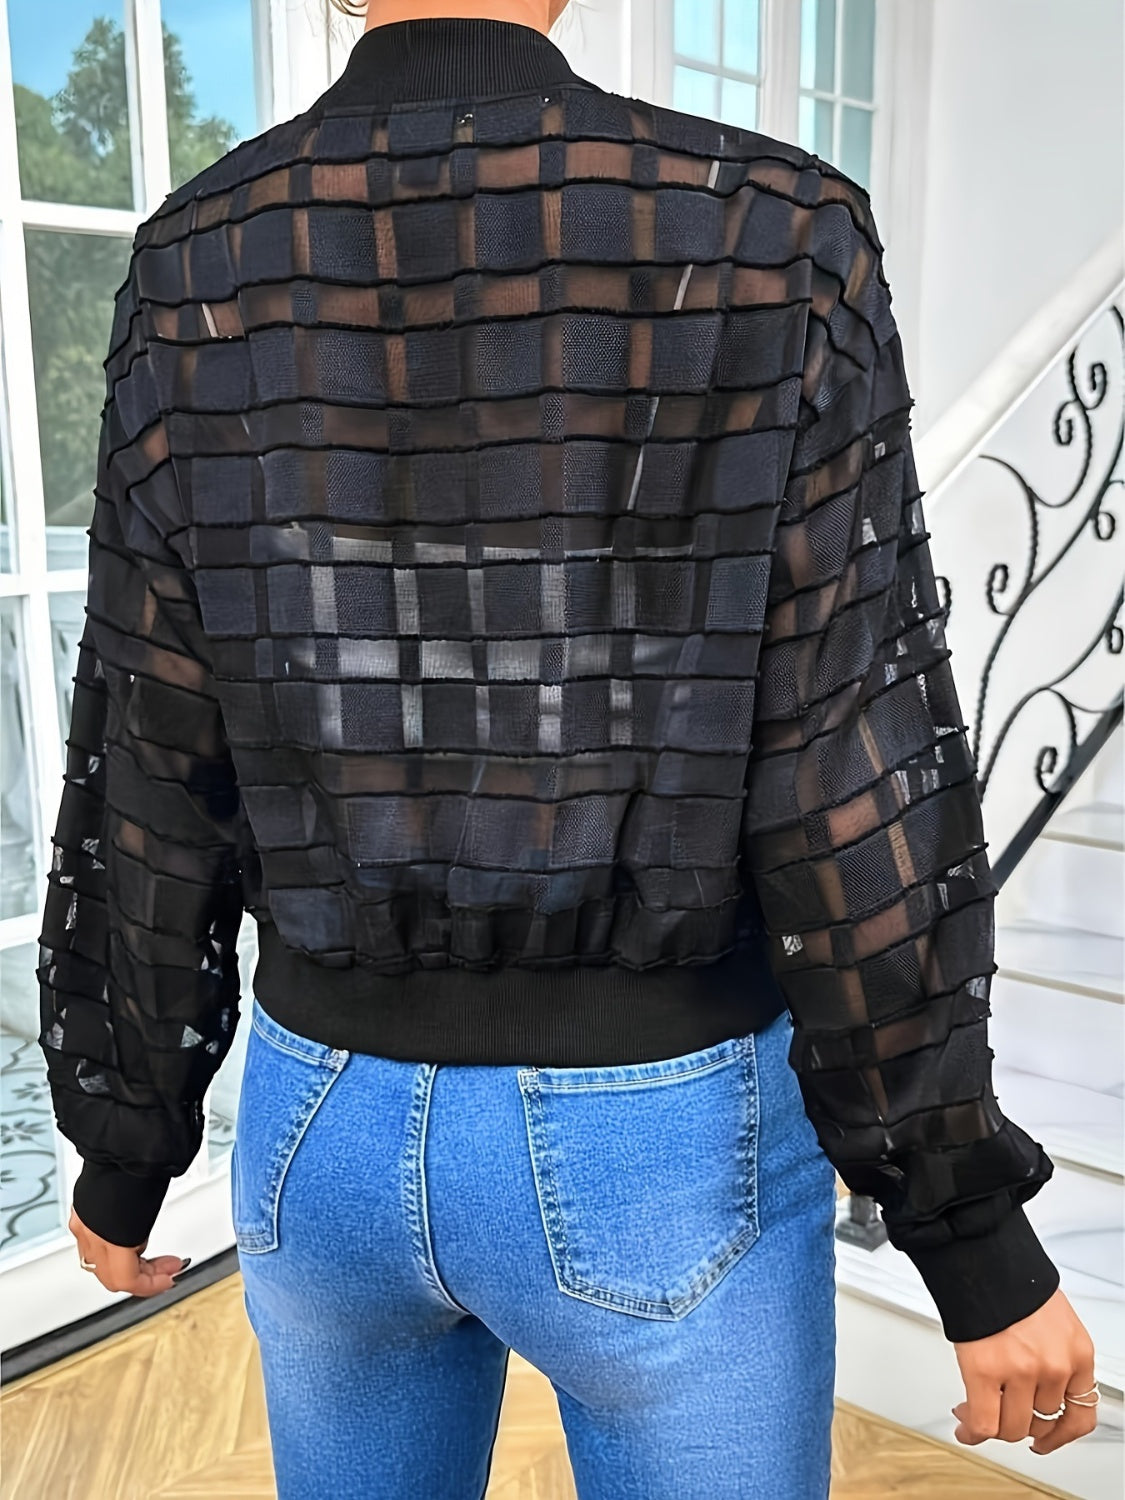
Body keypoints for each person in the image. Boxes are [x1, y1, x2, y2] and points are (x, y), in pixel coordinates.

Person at [38, 0, 1099, 1494]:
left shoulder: (194, 256)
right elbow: (847, 757)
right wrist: (967, 1225)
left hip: (322, 1126)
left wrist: (126, 1132)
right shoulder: (778, 233)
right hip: (660, 1135)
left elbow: (153, 735)